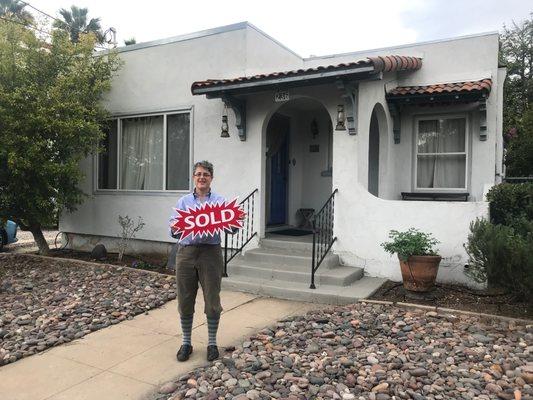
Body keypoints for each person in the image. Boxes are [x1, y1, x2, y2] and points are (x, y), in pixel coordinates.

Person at [170, 160, 225, 362]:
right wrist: (176, 228)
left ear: (211, 178)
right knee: (185, 298)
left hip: (211, 252)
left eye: (206, 174)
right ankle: (186, 343)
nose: (202, 177)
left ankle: (212, 343)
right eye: (198, 174)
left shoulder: (220, 201)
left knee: (212, 298)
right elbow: (173, 231)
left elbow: (231, 228)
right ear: (194, 177)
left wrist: (235, 221)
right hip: (186, 252)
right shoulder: (183, 202)